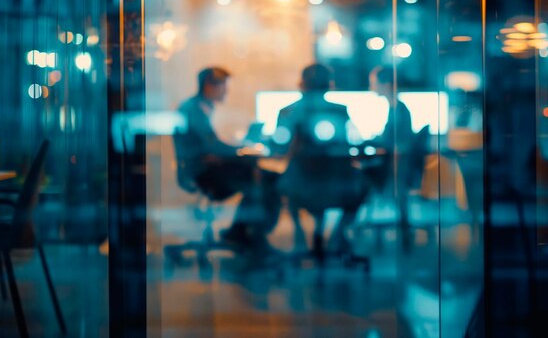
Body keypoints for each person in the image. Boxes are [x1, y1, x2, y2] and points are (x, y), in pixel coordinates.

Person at [174, 67, 280, 250]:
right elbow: (210, 146)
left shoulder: (200, 107)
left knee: (263, 177)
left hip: (206, 167)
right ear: (209, 85)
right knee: (267, 180)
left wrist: (236, 147)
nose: (227, 91)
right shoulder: (194, 109)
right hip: (203, 172)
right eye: (224, 86)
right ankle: (246, 235)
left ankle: (240, 232)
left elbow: (210, 143)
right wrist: (241, 149)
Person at [273, 64, 367, 254]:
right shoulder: (341, 111)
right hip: (338, 184)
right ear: (330, 85)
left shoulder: (288, 111)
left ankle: (299, 234)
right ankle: (337, 235)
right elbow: (349, 145)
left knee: (280, 180)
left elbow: (279, 148)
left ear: (302, 83)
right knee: (366, 184)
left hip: (301, 186)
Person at [368, 65, 415, 250]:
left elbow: (395, 143)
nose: (371, 88)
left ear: (385, 84)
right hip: (394, 165)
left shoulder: (399, 110)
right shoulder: (395, 107)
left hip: (395, 168)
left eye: (374, 83)